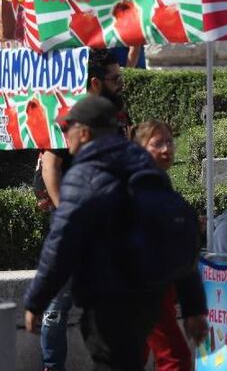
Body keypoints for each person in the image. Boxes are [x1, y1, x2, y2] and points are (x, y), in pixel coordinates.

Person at [24, 97, 205, 369]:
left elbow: (61, 242)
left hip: (107, 302)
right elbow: (178, 238)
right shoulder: (148, 169)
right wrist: (193, 305)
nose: (64, 136)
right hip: (149, 300)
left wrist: (35, 300)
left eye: (68, 129)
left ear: (85, 133)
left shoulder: (84, 175)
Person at [37, 47, 126, 371]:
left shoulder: (116, 114)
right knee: (58, 300)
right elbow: (51, 167)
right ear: (95, 83)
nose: (120, 84)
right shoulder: (69, 116)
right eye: (115, 79)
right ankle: (52, 365)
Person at [132, 121, 210, 371]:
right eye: (157, 143)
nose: (166, 149)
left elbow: (182, 253)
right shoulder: (131, 191)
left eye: (169, 141)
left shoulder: (162, 190)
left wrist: (193, 309)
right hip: (139, 293)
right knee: (175, 358)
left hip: (156, 292)